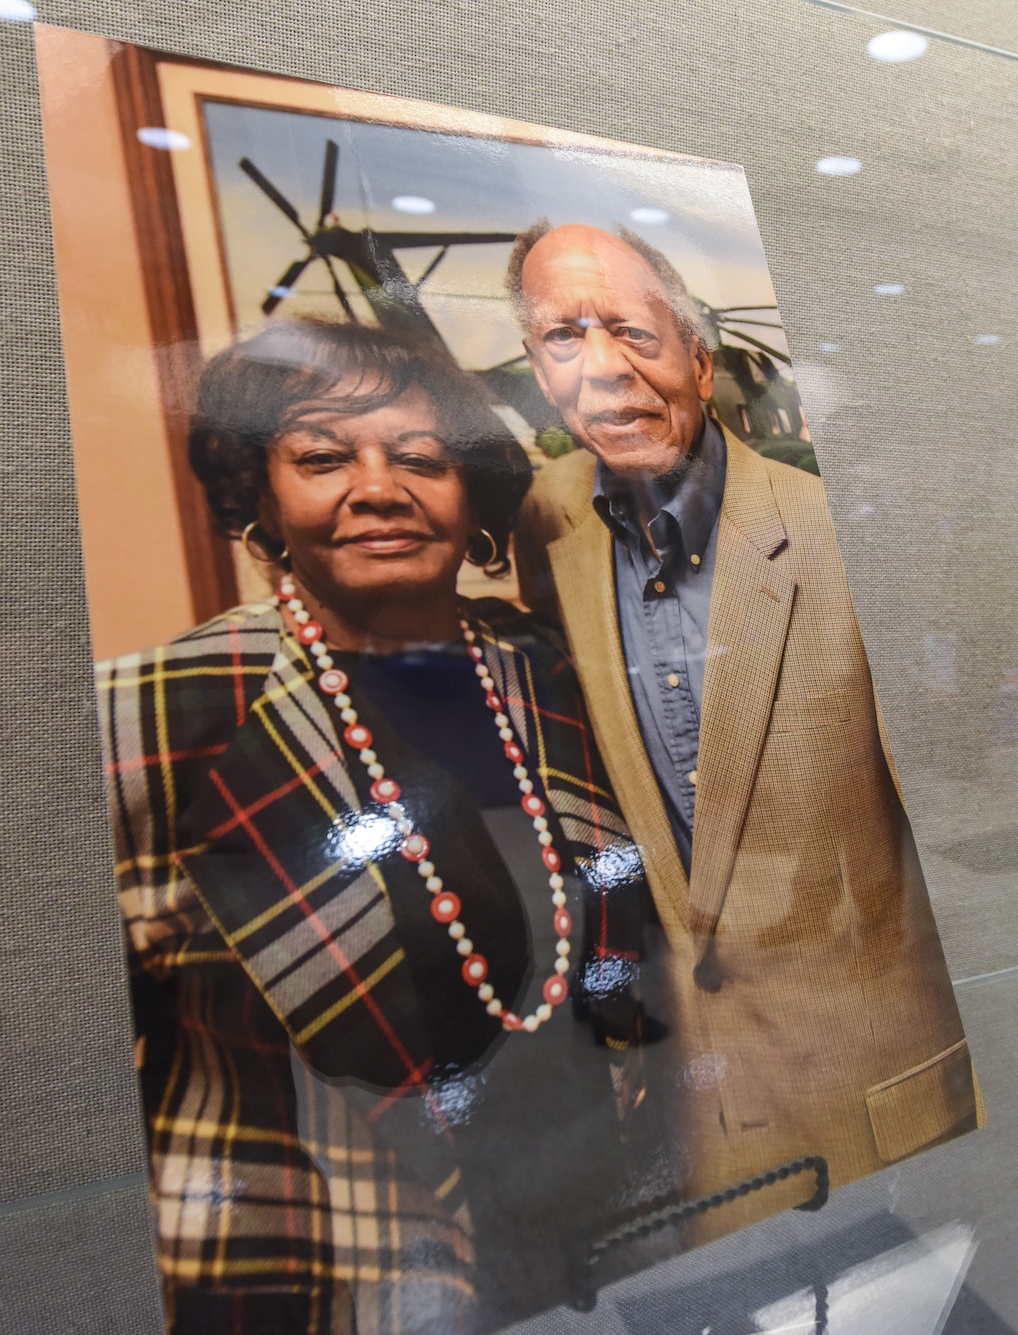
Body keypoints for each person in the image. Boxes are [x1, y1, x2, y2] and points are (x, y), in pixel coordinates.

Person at [98, 319, 660, 1334]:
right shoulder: (155, 709)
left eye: (419, 458)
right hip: (329, 1274)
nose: (376, 487)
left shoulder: (542, 666)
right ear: (259, 493)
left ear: (467, 490)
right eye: (320, 457)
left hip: (592, 1233)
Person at [507, 223, 977, 1234]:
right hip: (694, 1134)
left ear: (700, 359)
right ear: (540, 380)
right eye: (561, 339)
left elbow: (959, 862)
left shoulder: (838, 535)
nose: (601, 371)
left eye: (632, 333)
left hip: (884, 1114)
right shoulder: (547, 524)